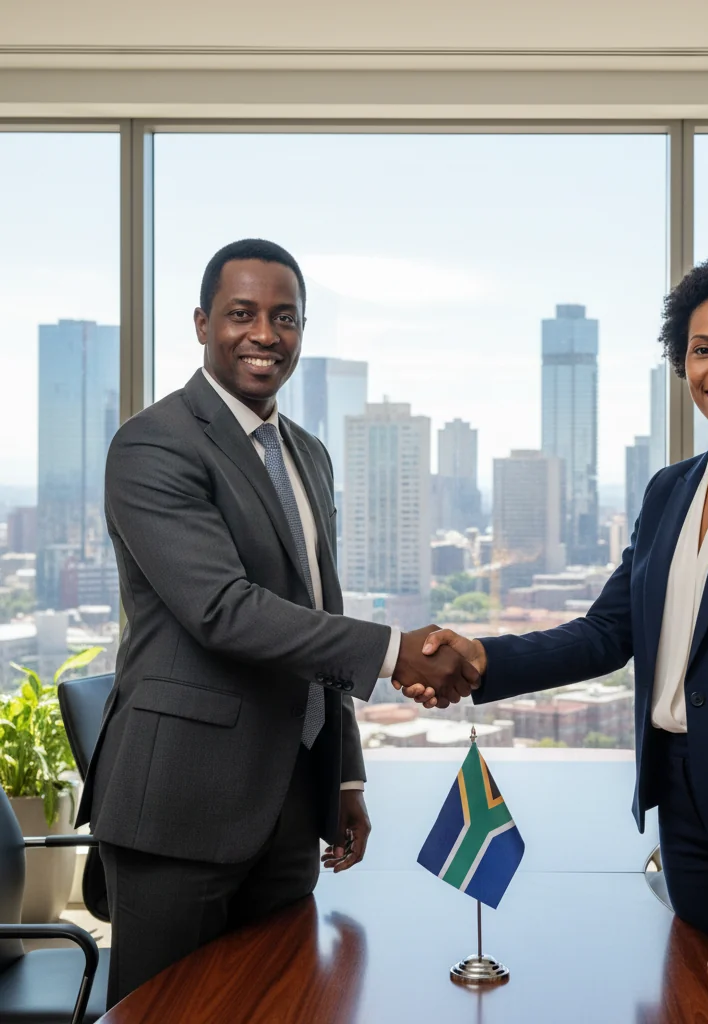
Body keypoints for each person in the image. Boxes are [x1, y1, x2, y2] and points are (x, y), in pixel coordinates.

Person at [409, 255, 708, 1024]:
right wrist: (482, 658)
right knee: (695, 1010)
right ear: (681, 361)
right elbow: (608, 631)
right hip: (684, 808)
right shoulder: (668, 490)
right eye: (702, 349)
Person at [78, 238, 478, 1006]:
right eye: (242, 314)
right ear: (201, 324)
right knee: (169, 1013)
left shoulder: (309, 454)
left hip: (291, 807)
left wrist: (346, 774)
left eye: (285, 318)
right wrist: (398, 653)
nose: (265, 334)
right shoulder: (154, 444)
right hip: (179, 808)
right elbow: (223, 611)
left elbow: (316, 613)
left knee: (282, 1004)